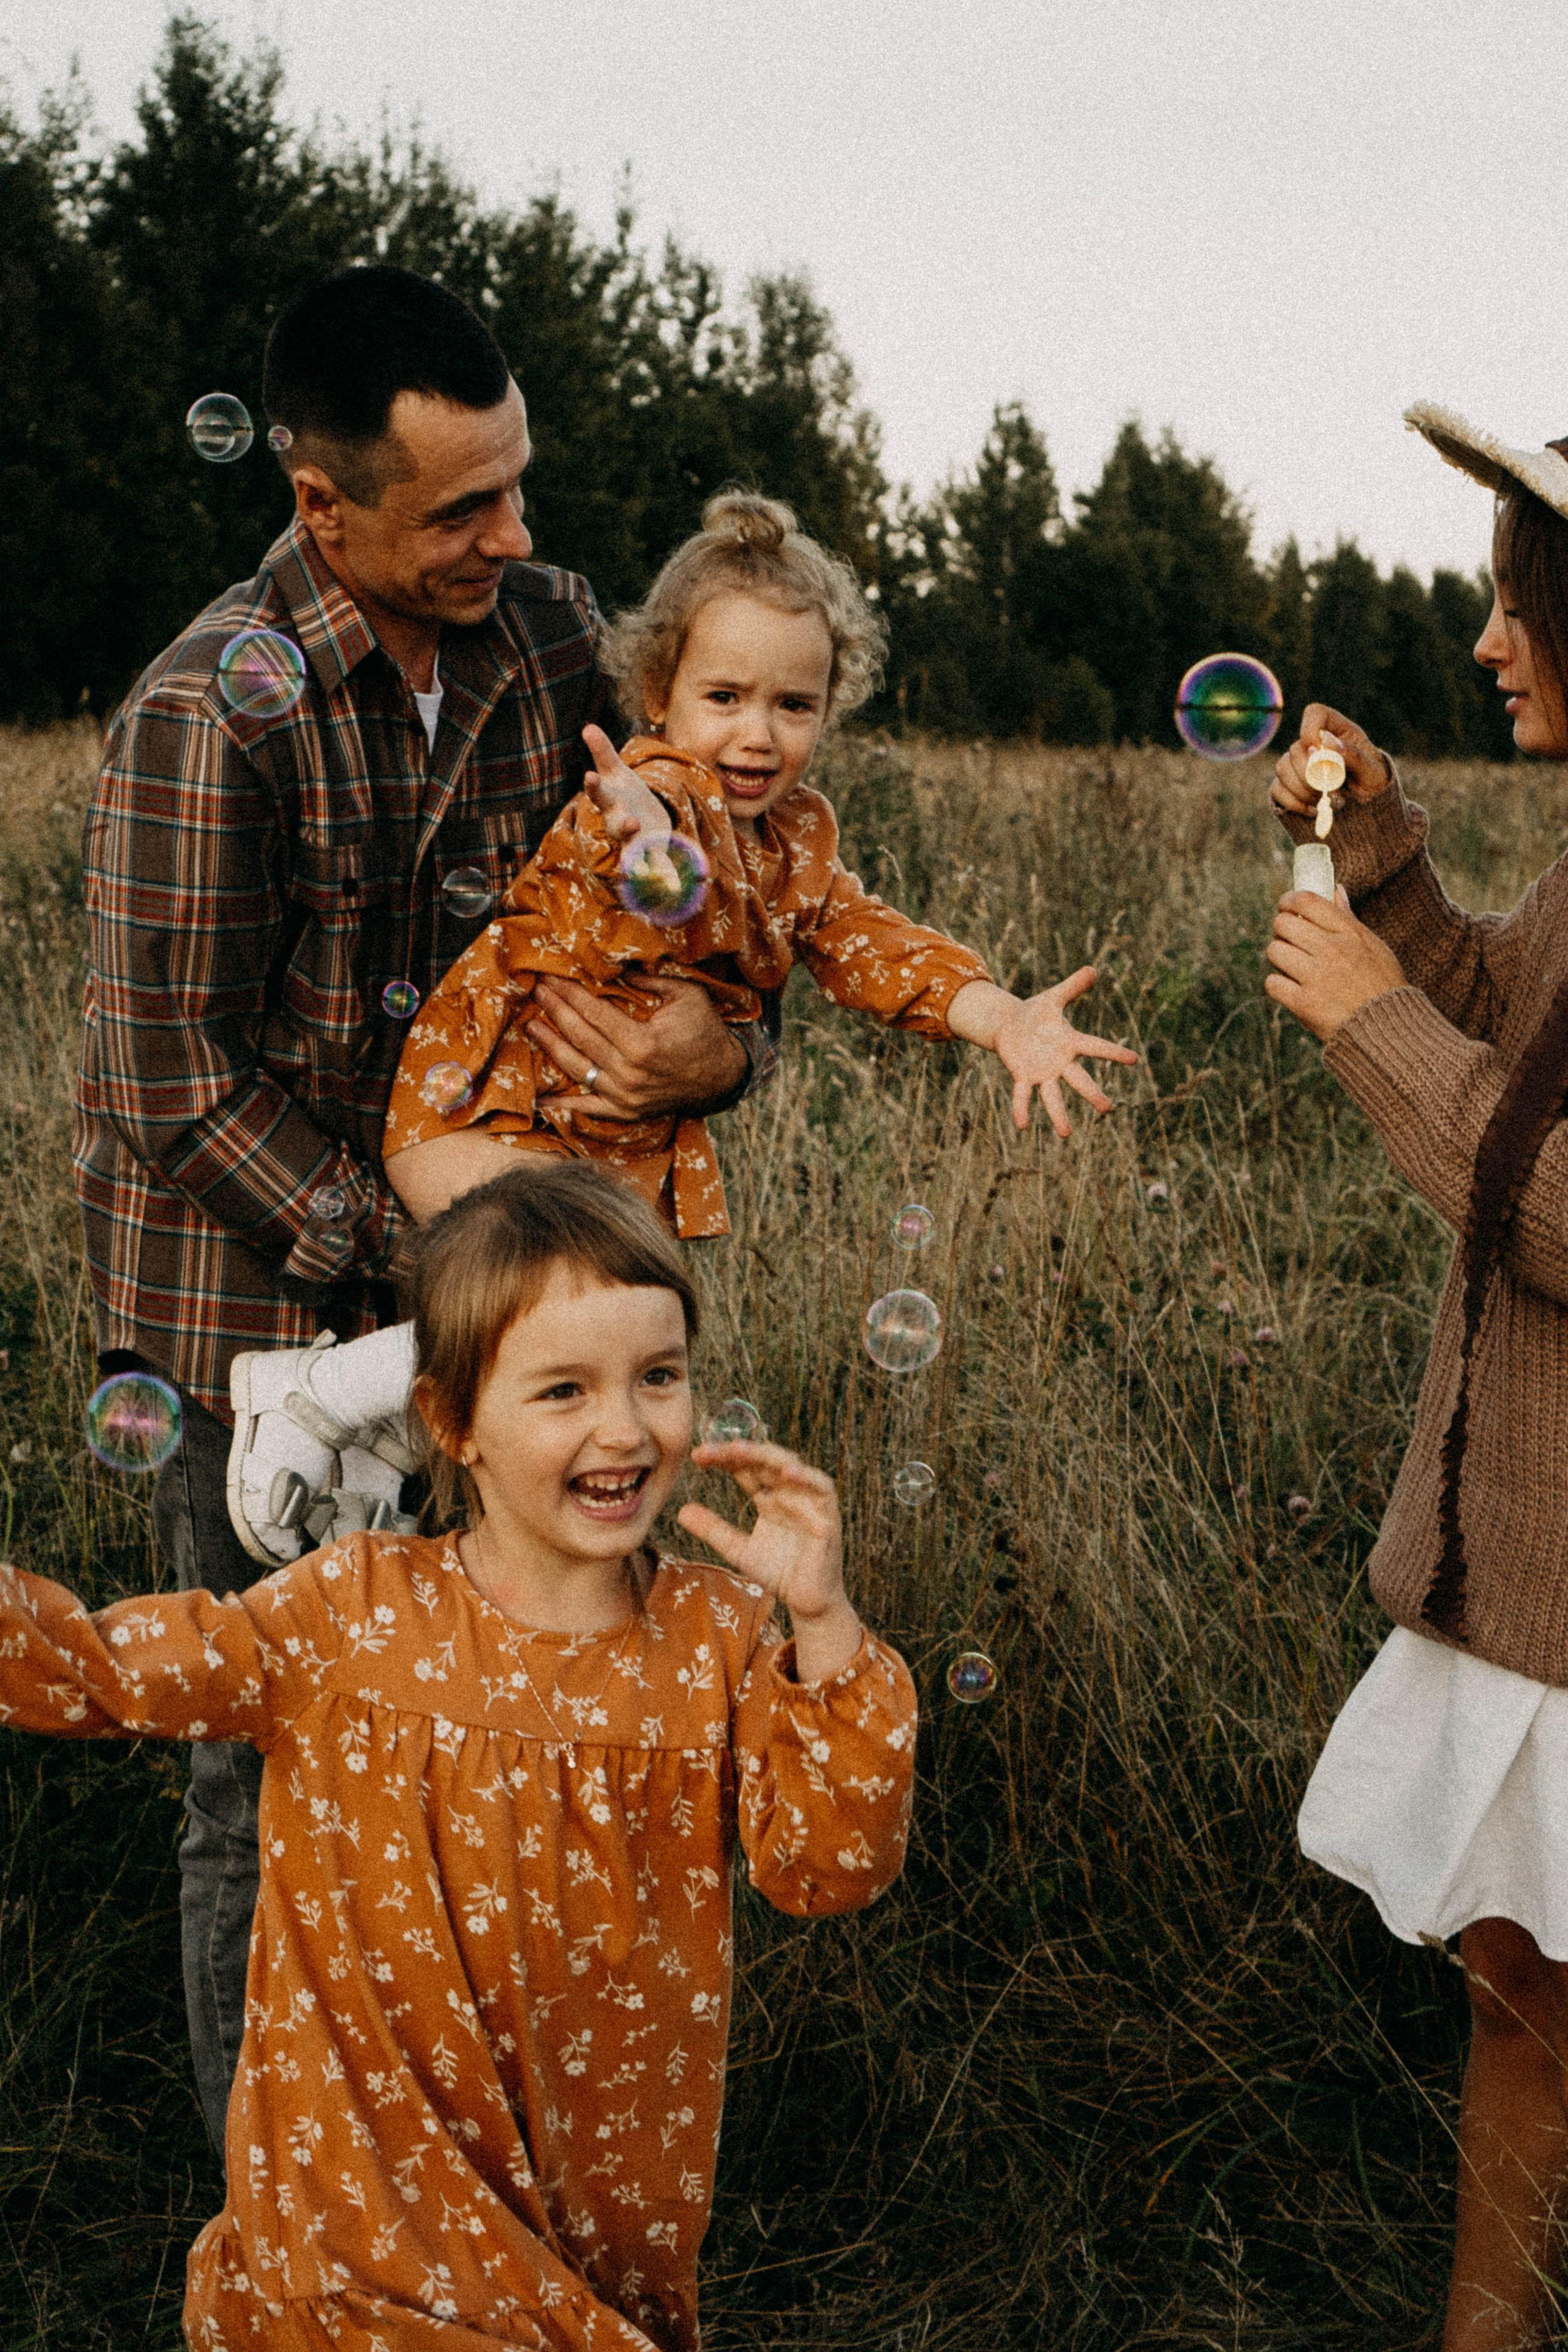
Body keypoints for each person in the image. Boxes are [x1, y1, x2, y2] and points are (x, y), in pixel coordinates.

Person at [75, 264, 770, 2155]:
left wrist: (713, 1047)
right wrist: (464, 1259)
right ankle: (278, 2225)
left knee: (495, 1748)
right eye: (463, 506)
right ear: (323, 506)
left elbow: (697, 914)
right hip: (253, 1329)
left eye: (519, 486)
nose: (519, 537)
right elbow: (164, 1081)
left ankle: (467, 2183)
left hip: (501, 1321)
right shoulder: (205, 719)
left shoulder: (552, 643)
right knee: (266, 1781)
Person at [4, 1158, 916, 2348]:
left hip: (581, 2242)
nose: (624, 1426)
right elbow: (104, 1668)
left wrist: (823, 1622)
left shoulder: (719, 1642)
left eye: (658, 1377)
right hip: (342, 2240)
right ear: (451, 1423)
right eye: (563, 1391)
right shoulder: (350, 1613)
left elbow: (829, 1863)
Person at [224, 492, 1137, 1564]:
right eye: (724, 696)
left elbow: (876, 949)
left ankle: (382, 1434)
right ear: (660, 695)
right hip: (470, 1109)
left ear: (829, 711)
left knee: (576, 1322)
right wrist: (648, 830)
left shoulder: (799, 843)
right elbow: (662, 867)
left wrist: (1003, 1022)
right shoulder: (661, 787)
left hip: (580, 1147)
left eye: (794, 704)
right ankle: (315, 1393)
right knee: (569, 1309)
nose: (757, 732)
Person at [1267, 402, 1568, 2350]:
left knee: (1533, 1994)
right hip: (1543, 1581)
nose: (1486, 642)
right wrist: (1381, 861)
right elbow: (1518, 1049)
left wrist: (1376, 1031)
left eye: (1519, 600)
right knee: (1522, 1989)